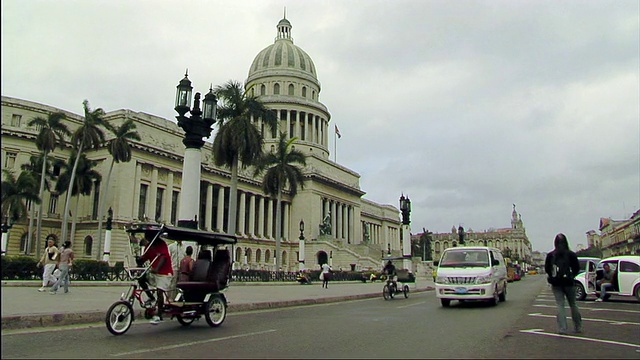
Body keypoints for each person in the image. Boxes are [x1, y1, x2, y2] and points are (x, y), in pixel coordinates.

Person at [544, 233, 582, 335]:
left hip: (556, 283)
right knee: (573, 304)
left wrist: (553, 277)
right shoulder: (571, 254)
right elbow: (576, 268)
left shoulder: (551, 255)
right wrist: (571, 276)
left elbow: (547, 269)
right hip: (569, 282)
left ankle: (562, 328)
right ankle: (577, 326)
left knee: (560, 304)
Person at [139, 233, 173, 325]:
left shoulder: (162, 244)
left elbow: (163, 257)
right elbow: (144, 258)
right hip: (154, 273)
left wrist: (157, 268)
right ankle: (151, 297)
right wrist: (139, 260)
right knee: (141, 279)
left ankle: (159, 315)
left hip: (165, 274)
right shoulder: (148, 246)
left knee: (159, 291)